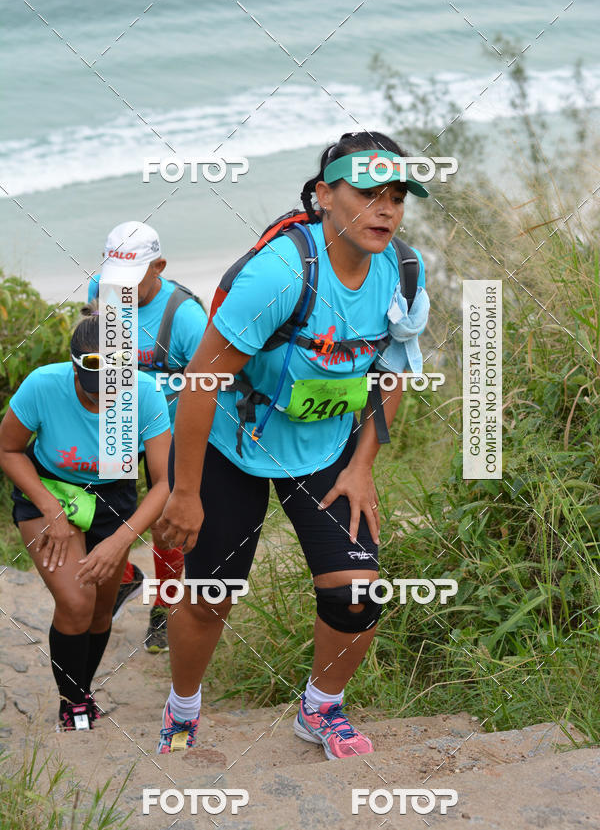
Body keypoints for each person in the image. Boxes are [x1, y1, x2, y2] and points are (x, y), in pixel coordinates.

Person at [153, 131, 429, 758]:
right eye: (368, 193)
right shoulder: (280, 273)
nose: (385, 209)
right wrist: (186, 492)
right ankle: (183, 708)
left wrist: (362, 466)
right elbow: (201, 381)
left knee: (356, 594)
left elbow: (394, 372)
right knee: (211, 597)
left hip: (326, 446)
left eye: (397, 197)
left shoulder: (404, 273)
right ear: (324, 195)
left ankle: (320, 709)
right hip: (232, 443)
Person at [0, 307, 171, 730]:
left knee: (99, 612)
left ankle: (82, 689)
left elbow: (165, 483)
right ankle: (72, 703)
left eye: (114, 390)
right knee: (77, 602)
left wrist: (120, 541)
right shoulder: (43, 385)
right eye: (94, 391)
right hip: (50, 489)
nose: (104, 400)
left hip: (113, 499)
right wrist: (50, 508)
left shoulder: (146, 393)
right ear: (74, 367)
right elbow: (8, 449)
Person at [88, 222, 208, 652]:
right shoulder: (101, 290)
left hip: (170, 429)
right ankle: (126, 579)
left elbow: (208, 390)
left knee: (164, 525)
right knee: (99, 508)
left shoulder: (187, 318)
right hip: (120, 420)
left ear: (159, 267)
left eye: (131, 279)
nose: (119, 289)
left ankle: (164, 606)